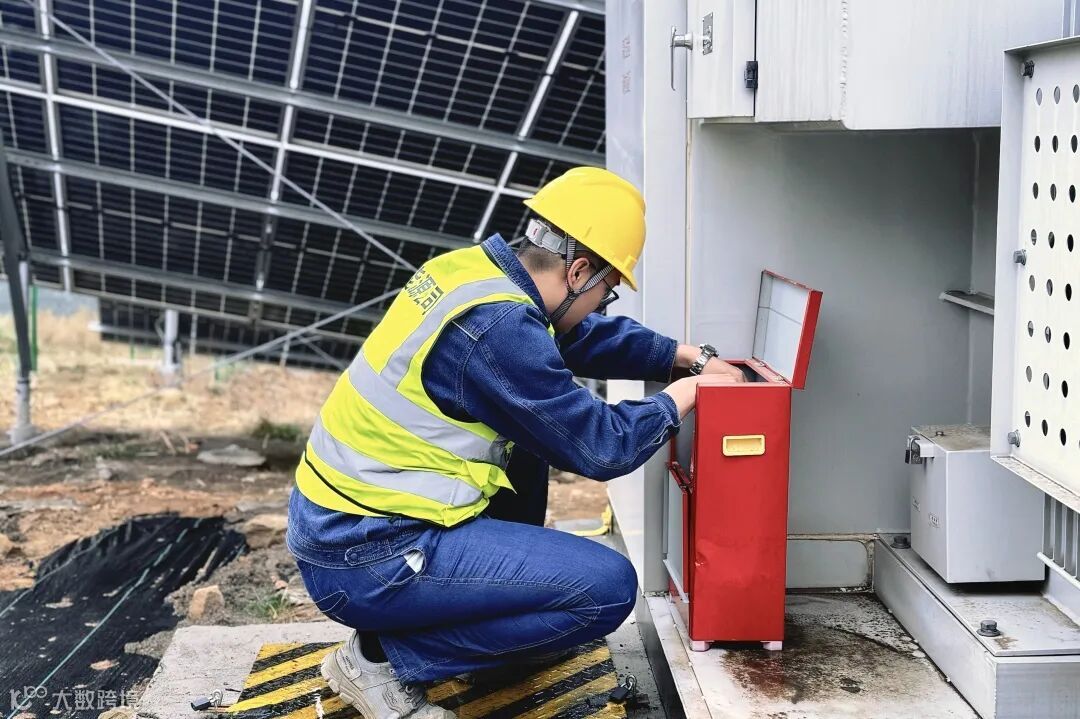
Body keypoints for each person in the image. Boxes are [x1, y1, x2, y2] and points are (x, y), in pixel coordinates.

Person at [286, 167, 744, 718]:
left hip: (342, 524)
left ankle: (491, 628)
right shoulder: (498, 328)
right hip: (368, 557)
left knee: (528, 444)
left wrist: (682, 355)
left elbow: (572, 336)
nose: (601, 307)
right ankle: (379, 659)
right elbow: (601, 446)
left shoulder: (472, 275)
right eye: (605, 294)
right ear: (578, 270)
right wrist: (685, 394)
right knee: (605, 589)